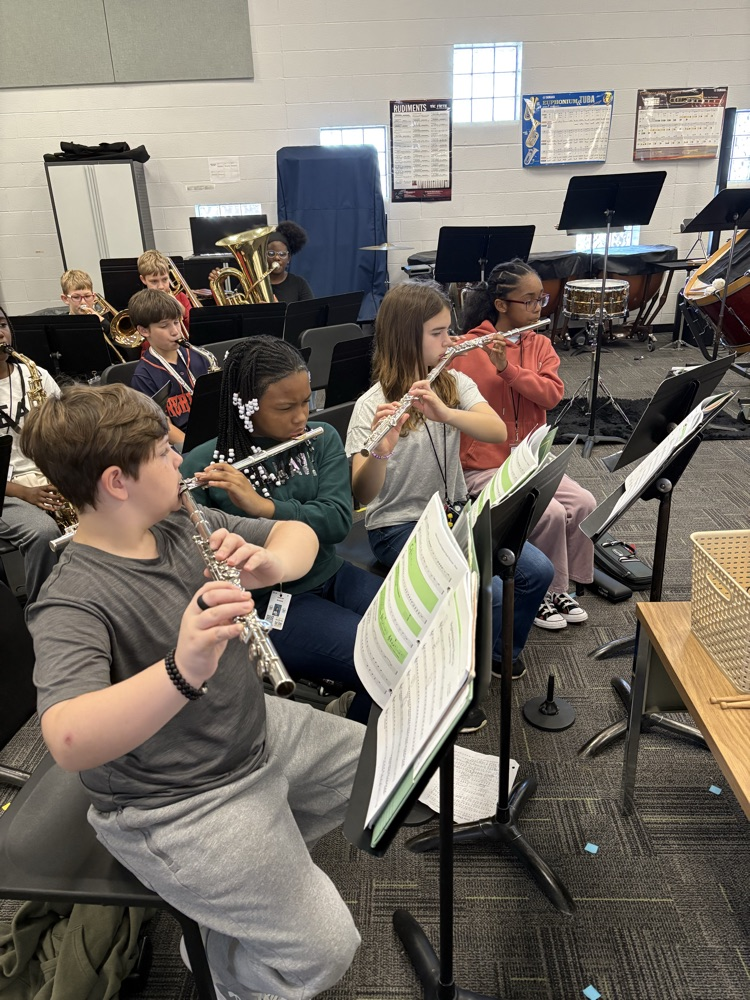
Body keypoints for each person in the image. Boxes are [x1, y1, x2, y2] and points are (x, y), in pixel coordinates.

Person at [22, 383, 363, 1000]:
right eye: (162, 451)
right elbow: (68, 740)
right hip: (176, 801)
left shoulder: (180, 522)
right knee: (327, 950)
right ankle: (224, 969)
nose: (179, 457)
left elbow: (298, 535)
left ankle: (245, 892)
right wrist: (182, 668)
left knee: (380, 771)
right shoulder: (71, 599)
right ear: (117, 482)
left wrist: (271, 564)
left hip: (255, 731)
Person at [345, 282, 554, 726]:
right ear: (407, 338)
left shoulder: (454, 383)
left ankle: (496, 654)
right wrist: (381, 450)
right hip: (397, 525)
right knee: (485, 592)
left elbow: (496, 431)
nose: (451, 341)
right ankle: (454, 688)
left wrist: (445, 413)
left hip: (454, 513)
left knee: (537, 571)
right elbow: (363, 494)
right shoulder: (370, 405)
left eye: (448, 330)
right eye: (438, 333)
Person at [180, 336, 383, 723]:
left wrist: (263, 507)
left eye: (306, 402)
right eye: (286, 407)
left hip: (330, 572)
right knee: (379, 660)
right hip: (267, 602)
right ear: (245, 405)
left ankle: (354, 713)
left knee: (416, 628)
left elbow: (337, 520)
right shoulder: (205, 465)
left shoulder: (319, 440)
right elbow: (200, 561)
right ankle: (352, 738)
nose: (301, 417)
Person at [455, 259, 596, 630]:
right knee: (549, 514)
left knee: (584, 503)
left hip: (531, 458)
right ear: (501, 305)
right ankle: (542, 594)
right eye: (529, 300)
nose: (538, 308)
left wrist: (508, 369)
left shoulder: (541, 345)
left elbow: (550, 395)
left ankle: (566, 586)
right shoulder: (469, 348)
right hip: (484, 464)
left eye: (541, 299)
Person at [0, 305, 63, 604]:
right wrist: (26, 493)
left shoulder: (35, 374)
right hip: (8, 490)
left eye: (2, 325)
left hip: (45, 473)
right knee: (43, 531)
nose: (0, 333)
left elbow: (65, 431)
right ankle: (44, 608)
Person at [129, 289, 211, 451]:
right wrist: (199, 449)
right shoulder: (143, 376)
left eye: (176, 322)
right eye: (164, 326)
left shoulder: (199, 356)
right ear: (144, 331)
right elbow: (162, 425)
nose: (175, 331)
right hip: (182, 448)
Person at [137, 249, 192, 331]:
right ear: (143, 279)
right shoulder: (141, 304)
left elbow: (196, 327)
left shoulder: (181, 297)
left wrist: (182, 310)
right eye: (154, 281)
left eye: (165, 279)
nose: (161, 287)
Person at [265, 221, 314, 304]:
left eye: (282, 254)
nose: (277, 257)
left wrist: (278, 309)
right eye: (271, 253)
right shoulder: (253, 284)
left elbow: (310, 311)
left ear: (288, 258)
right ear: (264, 257)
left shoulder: (299, 284)